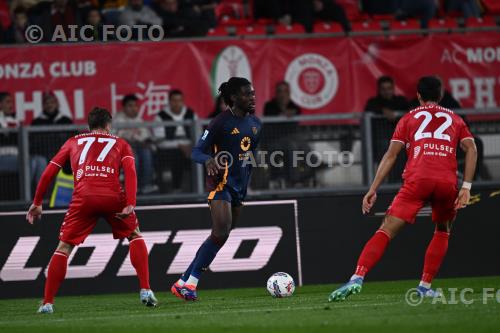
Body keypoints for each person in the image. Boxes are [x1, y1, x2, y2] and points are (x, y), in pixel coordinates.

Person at [328, 76, 477, 302]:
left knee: (386, 229)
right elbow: (472, 148)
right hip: (446, 182)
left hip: (417, 180)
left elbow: (391, 155)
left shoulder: (408, 118)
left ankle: (357, 277)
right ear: (441, 94)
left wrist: (373, 188)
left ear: (418, 95)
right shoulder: (455, 119)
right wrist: (466, 186)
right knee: (443, 229)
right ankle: (425, 286)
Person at [26, 107, 157, 313]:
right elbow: (130, 172)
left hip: (83, 198)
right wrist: (130, 202)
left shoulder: (73, 142)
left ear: (89, 125)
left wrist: (37, 201)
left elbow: (49, 171)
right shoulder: (121, 143)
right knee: (134, 235)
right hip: (113, 197)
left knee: (63, 248)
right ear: (108, 125)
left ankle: (48, 303)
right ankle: (146, 290)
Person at [170, 77, 261, 301]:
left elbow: (250, 157)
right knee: (220, 232)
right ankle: (191, 284)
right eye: (247, 94)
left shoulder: (256, 124)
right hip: (220, 185)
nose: (252, 97)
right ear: (233, 98)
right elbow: (196, 151)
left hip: (240, 188)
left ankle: (182, 281)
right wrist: (209, 160)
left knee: (221, 235)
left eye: (253, 93)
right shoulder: (220, 122)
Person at [365, 76, 409, 183]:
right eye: (383, 89)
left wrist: (396, 114)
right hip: (382, 142)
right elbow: (369, 109)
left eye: (389, 88)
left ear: (393, 88)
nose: (386, 91)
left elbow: (410, 110)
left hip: (400, 142)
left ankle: (398, 184)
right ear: (379, 90)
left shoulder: (400, 101)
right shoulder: (374, 102)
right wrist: (382, 110)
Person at [153, 89, 196, 191]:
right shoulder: (160, 116)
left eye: (179, 100)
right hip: (169, 149)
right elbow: (160, 142)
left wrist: (191, 146)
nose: (177, 103)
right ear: (169, 102)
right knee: (177, 154)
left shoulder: (191, 114)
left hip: (190, 146)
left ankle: (202, 188)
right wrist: (180, 146)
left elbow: (198, 135)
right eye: (174, 101)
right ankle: (176, 188)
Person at [114, 94, 158, 194]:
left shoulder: (139, 120)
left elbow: (147, 137)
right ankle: (132, 187)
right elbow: (113, 139)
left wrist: (145, 142)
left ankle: (146, 185)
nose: (133, 109)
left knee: (146, 153)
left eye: (135, 106)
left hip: (139, 147)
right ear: (124, 108)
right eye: (130, 106)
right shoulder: (117, 120)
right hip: (122, 150)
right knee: (134, 158)